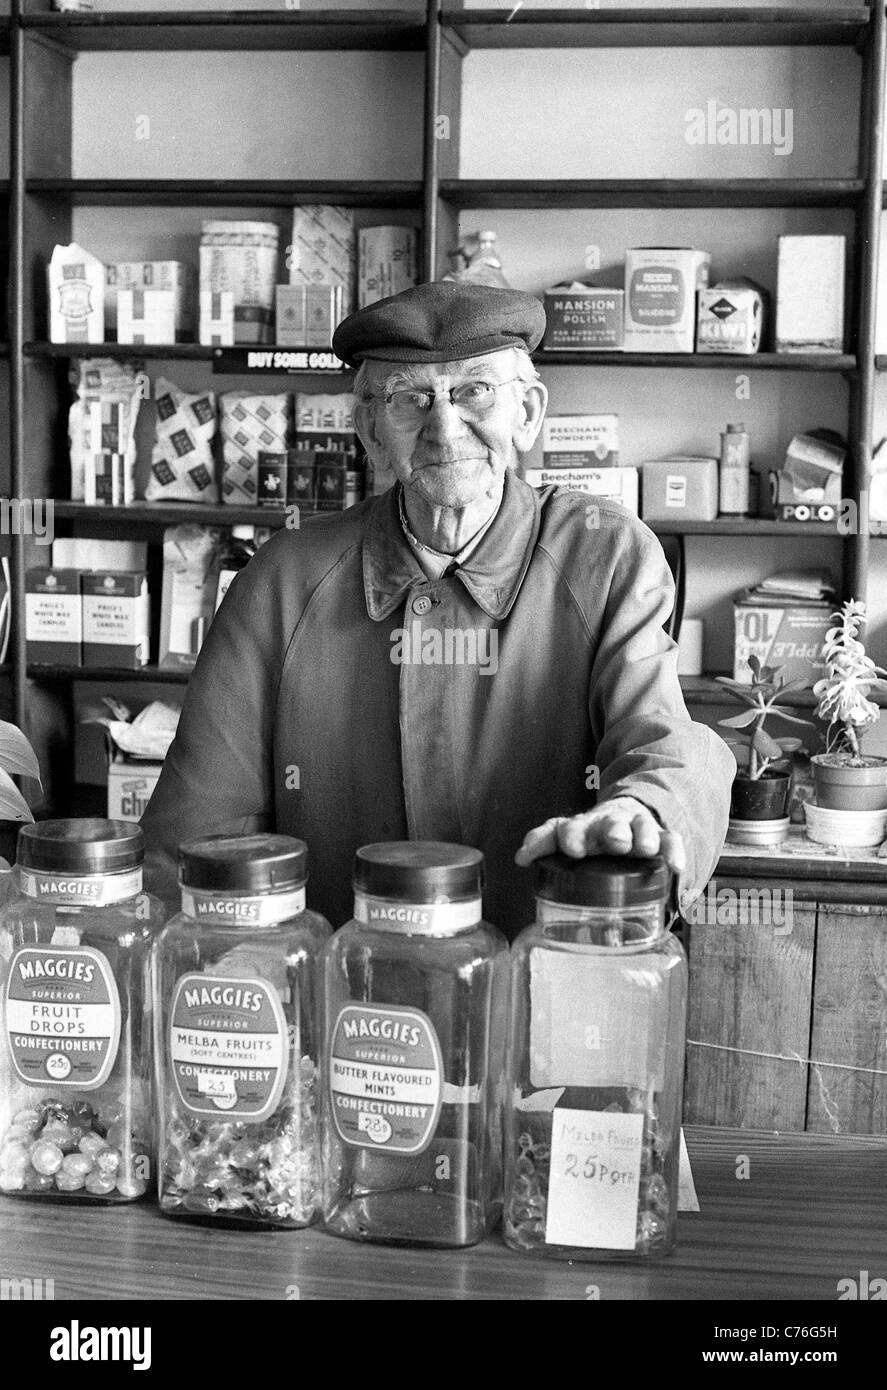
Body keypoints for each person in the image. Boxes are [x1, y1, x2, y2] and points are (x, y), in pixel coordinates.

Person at [141, 281, 734, 932]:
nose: (444, 429)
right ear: (369, 428)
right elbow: (198, 827)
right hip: (340, 995)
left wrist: (643, 813)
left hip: (541, 988)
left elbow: (661, 741)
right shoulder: (283, 577)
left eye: (474, 391)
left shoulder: (604, 556)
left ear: (527, 412)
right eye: (409, 399)